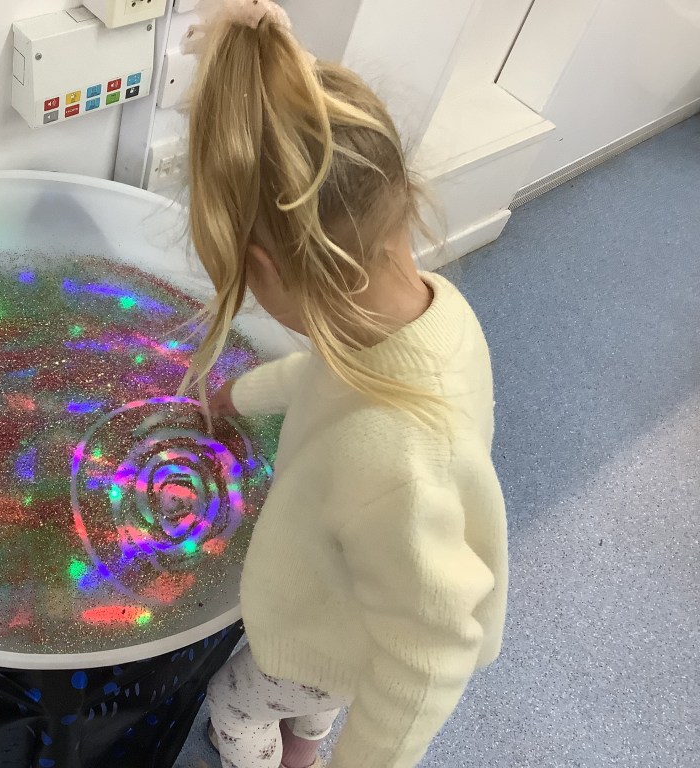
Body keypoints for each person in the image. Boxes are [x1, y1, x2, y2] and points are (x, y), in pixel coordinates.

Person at [180, 1, 509, 767]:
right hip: (355, 608)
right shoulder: (435, 318)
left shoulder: (390, 458)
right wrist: (241, 396)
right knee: (316, 698)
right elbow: (331, 375)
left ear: (261, 269)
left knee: (235, 706)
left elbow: (428, 658)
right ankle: (306, 740)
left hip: (331, 636)